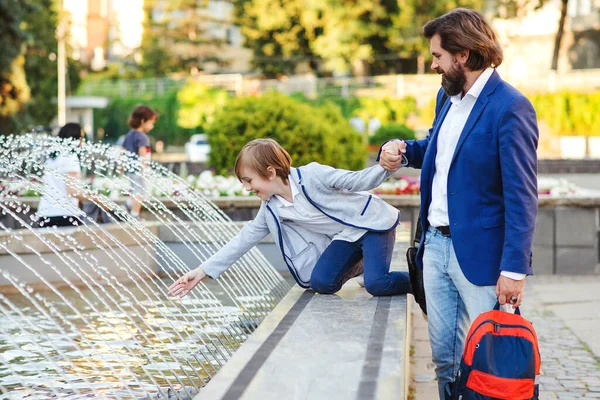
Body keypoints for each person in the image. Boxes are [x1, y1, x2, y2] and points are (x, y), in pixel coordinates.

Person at [378, 8, 539, 400]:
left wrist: (514, 269)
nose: (433, 64)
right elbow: (436, 149)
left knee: (491, 363)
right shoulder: (447, 97)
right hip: (434, 247)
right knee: (445, 361)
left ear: (463, 55)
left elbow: (522, 194)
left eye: (437, 56)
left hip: (481, 259)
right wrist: (401, 150)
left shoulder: (510, 107)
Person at [168, 138, 412, 298]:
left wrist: (387, 164)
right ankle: (364, 267)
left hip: (371, 225)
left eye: (249, 181)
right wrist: (201, 271)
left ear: (270, 172)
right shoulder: (271, 209)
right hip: (347, 236)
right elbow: (242, 240)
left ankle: (418, 278)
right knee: (321, 283)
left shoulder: (313, 175)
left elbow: (358, 181)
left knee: (377, 285)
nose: (247, 189)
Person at [37, 123, 86, 227]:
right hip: (65, 214)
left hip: (45, 213)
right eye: (81, 138)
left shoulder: (52, 158)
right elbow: (72, 191)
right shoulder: (71, 157)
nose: (83, 142)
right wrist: (97, 199)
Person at [121, 105, 158, 219]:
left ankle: (127, 206)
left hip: (129, 169)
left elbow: (122, 150)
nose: (152, 126)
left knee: (135, 190)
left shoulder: (129, 134)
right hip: (138, 170)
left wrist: (122, 165)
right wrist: (144, 169)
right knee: (140, 191)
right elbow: (143, 154)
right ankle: (134, 215)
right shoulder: (143, 137)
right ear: (143, 121)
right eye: (151, 123)